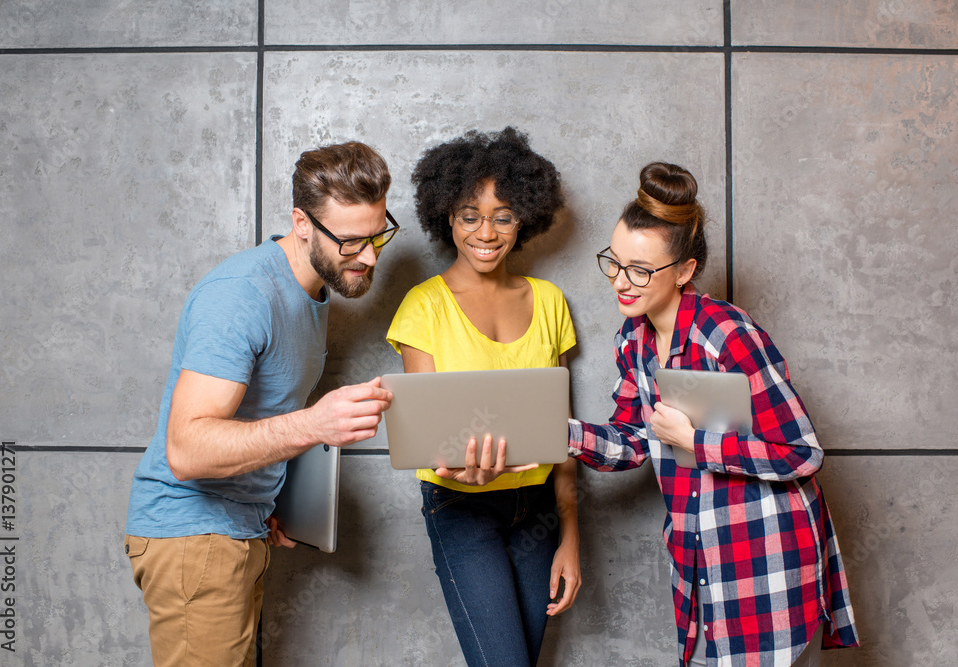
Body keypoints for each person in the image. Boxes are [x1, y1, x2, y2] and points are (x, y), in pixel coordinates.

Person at [568, 162, 859, 666]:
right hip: (701, 563)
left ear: (684, 271)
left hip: (766, 562)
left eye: (640, 270)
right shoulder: (632, 341)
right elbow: (633, 441)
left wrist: (695, 440)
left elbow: (802, 453)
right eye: (613, 262)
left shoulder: (727, 332)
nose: (621, 281)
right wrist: (564, 433)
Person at [124, 142, 398, 666]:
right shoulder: (243, 294)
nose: (369, 256)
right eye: (352, 241)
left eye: (380, 234)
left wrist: (262, 499)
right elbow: (186, 449)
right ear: (301, 223)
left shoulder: (312, 293)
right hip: (192, 535)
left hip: (236, 529)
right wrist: (315, 423)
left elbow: (256, 417)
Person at [386, 128, 581, 667]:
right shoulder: (423, 307)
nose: (486, 232)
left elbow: (563, 432)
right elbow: (428, 440)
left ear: (526, 218)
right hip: (462, 509)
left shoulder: (549, 302)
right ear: (447, 216)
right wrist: (461, 471)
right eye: (470, 215)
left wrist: (570, 535)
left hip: (538, 507)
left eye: (504, 215)